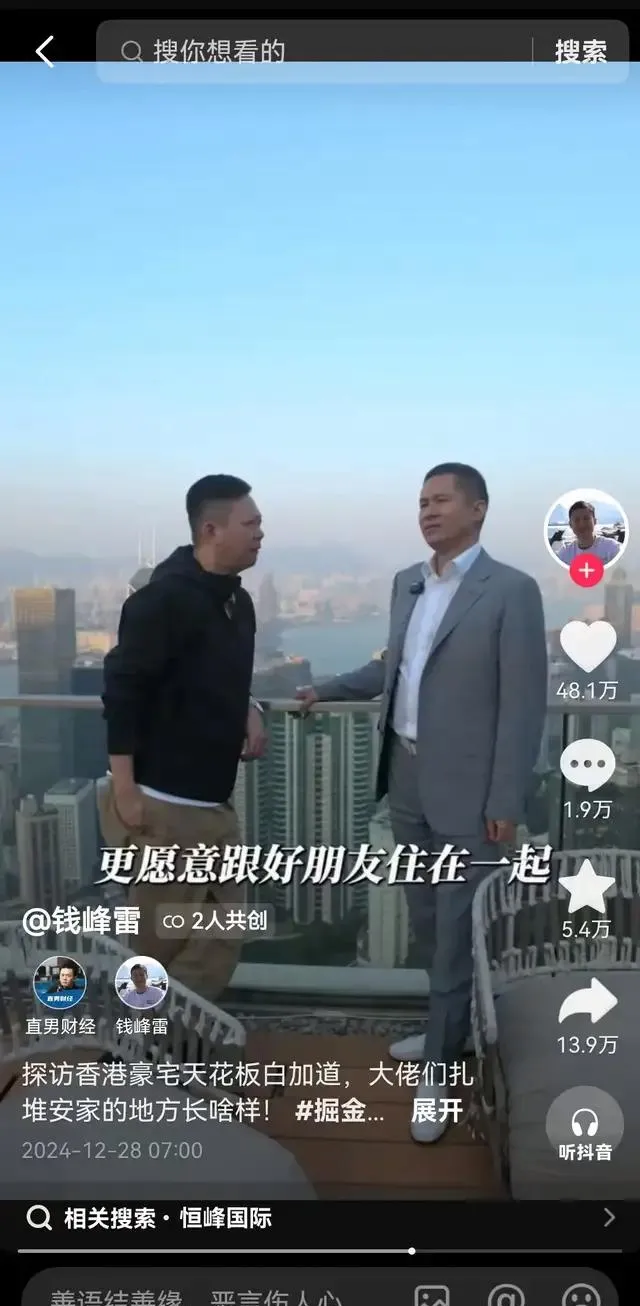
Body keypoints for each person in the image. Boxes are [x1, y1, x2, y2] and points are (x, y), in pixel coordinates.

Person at [297, 463, 548, 1144]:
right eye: (421, 502)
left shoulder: (512, 591)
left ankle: (438, 1071)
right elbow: (394, 667)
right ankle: (448, 1032)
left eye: (441, 501)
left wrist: (505, 798)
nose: (427, 512)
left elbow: (523, 706)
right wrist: (325, 689)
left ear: (479, 509)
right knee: (429, 924)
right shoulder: (407, 582)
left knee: (459, 930)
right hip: (406, 781)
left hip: (472, 794)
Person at [99, 475, 267, 1005]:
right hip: (162, 806)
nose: (261, 534)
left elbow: (214, 673)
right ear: (212, 530)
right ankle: (139, 1042)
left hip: (213, 803)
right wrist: (126, 790)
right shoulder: (161, 602)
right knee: (158, 945)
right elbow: (122, 693)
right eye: (250, 523)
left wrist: (250, 707)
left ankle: (170, 1035)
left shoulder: (237, 603)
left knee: (223, 929)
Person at [551, 500, 620, 564]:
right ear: (570, 524)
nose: (582, 524)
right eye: (577, 520)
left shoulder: (612, 547)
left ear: (595, 521)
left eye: (586, 518)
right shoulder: (565, 553)